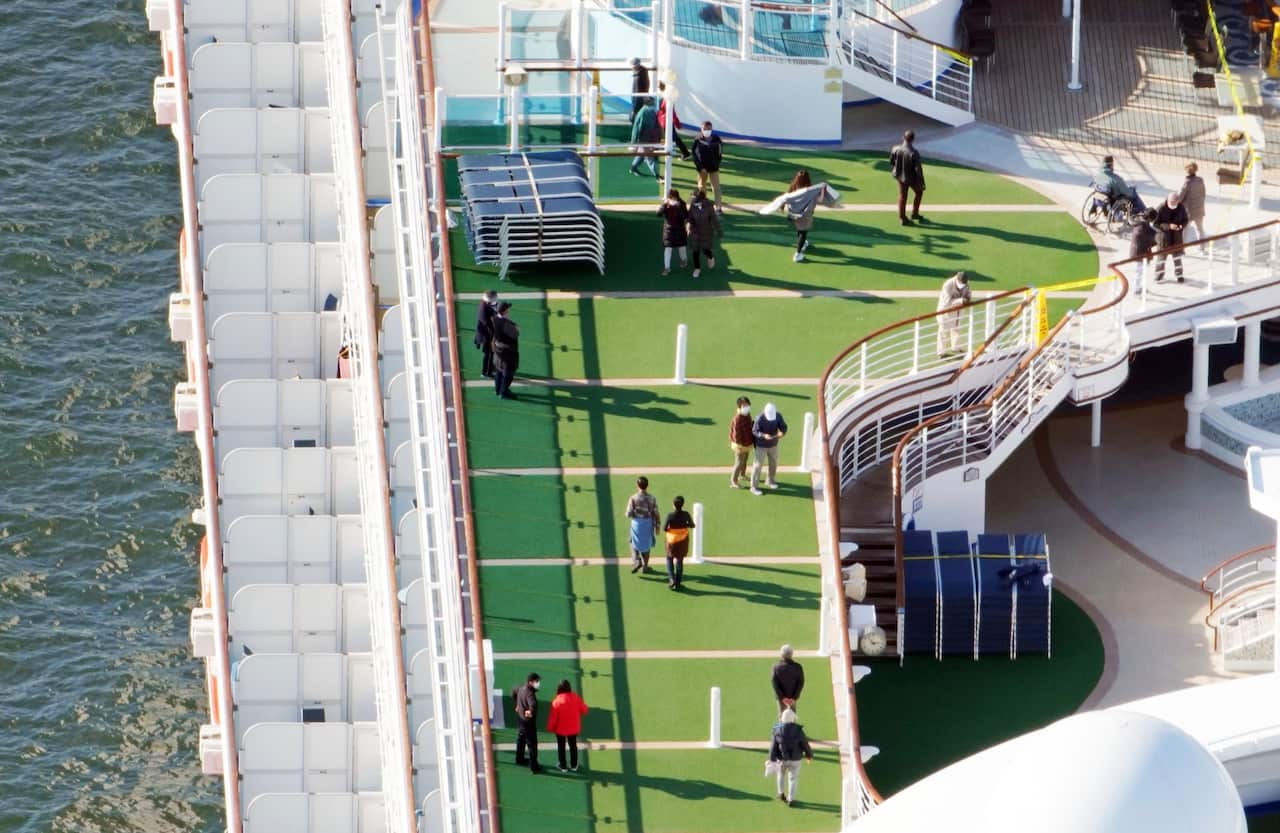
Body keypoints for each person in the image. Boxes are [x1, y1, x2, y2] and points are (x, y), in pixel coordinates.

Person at [772, 169, 834, 263]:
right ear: (807, 179)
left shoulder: (793, 187)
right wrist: (822, 190)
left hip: (793, 214)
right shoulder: (809, 192)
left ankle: (803, 244)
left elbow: (786, 197)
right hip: (805, 216)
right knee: (803, 233)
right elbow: (820, 200)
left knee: (799, 230)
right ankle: (798, 254)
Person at [768, 707, 813, 807]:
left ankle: (781, 794)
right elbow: (805, 744)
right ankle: (791, 799)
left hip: (782, 759)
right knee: (793, 779)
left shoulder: (777, 730)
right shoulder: (798, 731)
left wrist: (772, 759)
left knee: (780, 775)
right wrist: (809, 755)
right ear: (792, 719)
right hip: (796, 759)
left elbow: (773, 746)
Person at [546, 679, 589, 773]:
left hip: (560, 729)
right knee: (573, 746)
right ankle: (574, 765)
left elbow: (553, 718)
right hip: (574, 728)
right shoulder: (575, 697)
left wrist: (550, 728)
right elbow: (585, 710)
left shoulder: (556, 701)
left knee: (561, 747)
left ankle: (563, 766)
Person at [889, 130, 926, 226]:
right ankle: (914, 213)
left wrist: (896, 170)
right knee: (919, 192)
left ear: (903, 138)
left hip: (900, 176)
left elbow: (892, 162)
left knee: (902, 196)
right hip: (911, 178)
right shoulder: (914, 153)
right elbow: (918, 170)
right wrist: (921, 182)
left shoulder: (895, 149)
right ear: (913, 140)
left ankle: (902, 218)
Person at [625, 476, 660, 574]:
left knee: (632, 541)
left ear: (637, 485)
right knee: (647, 546)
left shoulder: (633, 498)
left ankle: (636, 560)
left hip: (636, 523)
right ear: (647, 486)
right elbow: (656, 513)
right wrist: (657, 526)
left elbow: (628, 514)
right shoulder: (652, 498)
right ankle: (645, 567)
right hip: (648, 524)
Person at [750, 402, 787, 495]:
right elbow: (754, 431)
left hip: (773, 444)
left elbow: (784, 426)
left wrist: (782, 432)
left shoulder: (778, 416)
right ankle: (754, 487)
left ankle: (770, 481)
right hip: (761, 446)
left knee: (773, 463)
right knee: (757, 466)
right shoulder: (759, 418)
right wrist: (763, 435)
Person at [1153, 192, 1188, 284]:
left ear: (1178, 201)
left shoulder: (1181, 207)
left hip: (1176, 239)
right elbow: (1155, 224)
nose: (1172, 204)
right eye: (1170, 202)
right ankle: (1159, 275)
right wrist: (1168, 226)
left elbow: (1185, 219)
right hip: (1163, 239)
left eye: (1174, 202)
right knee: (1161, 259)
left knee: (1177, 259)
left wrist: (1181, 226)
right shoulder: (1161, 208)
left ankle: (1179, 275)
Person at [686, 189, 721, 279]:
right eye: (692, 197)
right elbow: (690, 217)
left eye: (693, 197)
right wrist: (689, 225)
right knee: (695, 251)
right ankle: (697, 268)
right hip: (695, 232)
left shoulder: (709, 206)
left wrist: (719, 231)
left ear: (699, 198)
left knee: (706, 250)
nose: (692, 199)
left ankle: (710, 257)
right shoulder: (693, 206)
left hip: (706, 232)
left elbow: (714, 219)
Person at [936, 271, 972, 356]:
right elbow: (947, 303)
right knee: (943, 331)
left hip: (958, 311)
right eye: (961, 283)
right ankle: (941, 352)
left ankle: (955, 347)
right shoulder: (948, 285)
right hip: (945, 311)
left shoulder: (966, 283)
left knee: (956, 329)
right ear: (957, 279)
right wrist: (961, 300)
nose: (963, 285)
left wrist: (968, 298)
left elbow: (968, 294)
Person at [691, 121, 725, 215]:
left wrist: (717, 164)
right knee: (702, 187)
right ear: (701, 129)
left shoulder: (716, 139)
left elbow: (720, 153)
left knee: (716, 187)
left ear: (711, 129)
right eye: (705, 129)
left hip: (714, 167)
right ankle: (703, 205)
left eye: (709, 129)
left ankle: (718, 207)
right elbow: (694, 155)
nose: (707, 131)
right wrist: (700, 167)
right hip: (702, 169)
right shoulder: (697, 140)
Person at [663, 495, 696, 590]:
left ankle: (671, 579)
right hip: (682, 540)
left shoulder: (670, 515)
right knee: (680, 561)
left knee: (669, 558)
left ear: (674, 505)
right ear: (682, 505)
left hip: (671, 541)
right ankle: (678, 582)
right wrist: (685, 524)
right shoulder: (686, 514)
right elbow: (692, 525)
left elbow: (665, 528)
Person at [514, 672, 543, 773]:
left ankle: (519, 759)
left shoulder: (521, 689)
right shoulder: (530, 694)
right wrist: (530, 712)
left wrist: (517, 705)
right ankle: (534, 766)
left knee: (521, 740)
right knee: (532, 745)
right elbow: (533, 705)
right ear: (530, 682)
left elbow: (514, 691)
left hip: (520, 720)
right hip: (528, 724)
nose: (538, 683)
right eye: (537, 681)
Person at [491, 302, 520, 399]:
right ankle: (504, 392)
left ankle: (498, 389)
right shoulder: (506, 324)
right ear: (505, 312)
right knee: (508, 374)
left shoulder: (495, 319)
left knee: (498, 371)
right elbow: (515, 333)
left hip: (498, 350)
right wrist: (515, 327)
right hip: (507, 353)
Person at [657, 188, 689, 276]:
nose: (673, 199)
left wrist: (678, 207)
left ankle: (684, 260)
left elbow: (686, 216)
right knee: (668, 249)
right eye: (671, 197)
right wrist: (663, 205)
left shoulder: (682, 204)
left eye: (674, 197)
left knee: (681, 247)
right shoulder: (666, 204)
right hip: (669, 231)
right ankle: (667, 268)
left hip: (680, 229)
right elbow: (658, 214)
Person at [656, 82, 690, 160]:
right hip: (665, 121)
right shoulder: (665, 97)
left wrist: (677, 123)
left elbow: (670, 112)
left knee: (673, 137)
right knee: (670, 137)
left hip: (665, 122)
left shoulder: (663, 98)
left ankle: (685, 152)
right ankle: (684, 152)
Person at [1128, 208, 1158, 294]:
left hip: (1136, 250)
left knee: (1139, 271)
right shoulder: (1143, 228)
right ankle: (1136, 289)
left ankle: (1138, 287)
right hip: (1139, 253)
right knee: (1139, 272)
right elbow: (1154, 238)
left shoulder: (1139, 221)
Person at [629, 99, 660, 178]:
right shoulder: (644, 113)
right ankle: (657, 176)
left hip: (648, 138)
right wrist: (634, 142)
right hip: (645, 139)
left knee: (642, 154)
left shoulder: (646, 111)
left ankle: (633, 168)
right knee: (649, 157)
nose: (654, 104)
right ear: (648, 103)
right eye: (653, 102)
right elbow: (636, 128)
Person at [771, 644, 805, 714]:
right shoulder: (798, 667)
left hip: (781, 700)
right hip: (792, 698)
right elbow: (801, 683)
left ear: (781, 654)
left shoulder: (776, 667)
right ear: (792, 654)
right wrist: (794, 698)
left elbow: (775, 684)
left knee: (782, 718)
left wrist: (783, 698)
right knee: (792, 718)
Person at [729, 396, 754, 489]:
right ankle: (733, 480)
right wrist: (740, 446)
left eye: (747, 404)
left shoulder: (747, 414)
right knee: (738, 462)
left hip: (747, 443)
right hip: (740, 445)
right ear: (740, 407)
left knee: (745, 460)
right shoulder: (738, 418)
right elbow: (736, 435)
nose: (747, 407)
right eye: (744, 405)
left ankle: (742, 475)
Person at [1179, 161, 1207, 244]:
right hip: (1199, 209)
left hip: (1189, 210)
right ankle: (1203, 248)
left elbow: (1180, 197)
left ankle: (1182, 248)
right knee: (1200, 229)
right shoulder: (1200, 180)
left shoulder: (1187, 183)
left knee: (1185, 230)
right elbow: (1203, 194)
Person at [474, 289, 499, 378]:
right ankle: (486, 372)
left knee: (489, 354)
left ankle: (489, 368)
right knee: (489, 354)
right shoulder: (484, 309)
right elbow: (489, 326)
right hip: (487, 336)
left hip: (486, 333)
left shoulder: (484, 304)